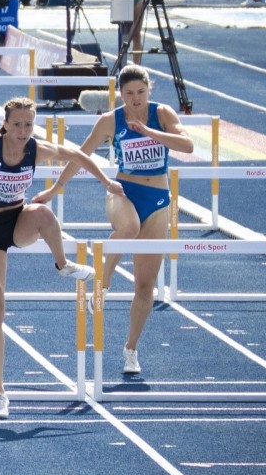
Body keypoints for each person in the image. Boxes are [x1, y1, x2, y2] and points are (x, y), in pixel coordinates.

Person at [0, 97, 123, 419]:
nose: (23, 131)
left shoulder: (36, 149)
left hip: (18, 221)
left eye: (29, 124)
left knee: (43, 212)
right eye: (17, 124)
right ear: (5, 123)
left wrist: (106, 182)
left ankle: (62, 265)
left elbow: (78, 155)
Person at [45, 65, 193, 376]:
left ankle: (131, 349)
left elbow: (188, 146)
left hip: (158, 200)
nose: (136, 99)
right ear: (119, 94)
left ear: (148, 90)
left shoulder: (162, 113)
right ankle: (103, 283)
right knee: (128, 228)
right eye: (129, 94)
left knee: (144, 284)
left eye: (140, 92)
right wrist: (56, 188)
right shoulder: (110, 120)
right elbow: (81, 154)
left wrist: (150, 132)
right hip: (123, 191)